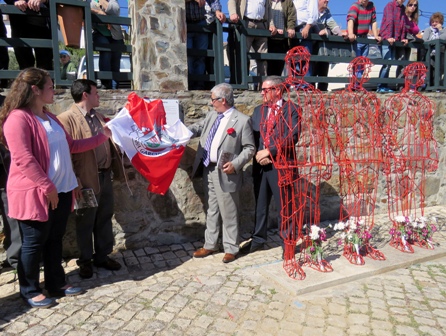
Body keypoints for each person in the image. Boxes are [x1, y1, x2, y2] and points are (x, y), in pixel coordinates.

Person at [0, 68, 111, 308]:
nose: (54, 90)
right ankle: (29, 289)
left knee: (54, 239)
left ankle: (56, 282)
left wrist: (102, 137)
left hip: (61, 190)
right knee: (33, 242)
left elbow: (71, 146)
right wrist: (46, 186)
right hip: (37, 193)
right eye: (50, 87)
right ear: (35, 90)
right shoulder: (18, 118)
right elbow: (23, 158)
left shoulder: (49, 117)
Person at [58, 79, 124, 279]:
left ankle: (102, 256)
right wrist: (75, 179)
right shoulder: (66, 119)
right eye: (95, 93)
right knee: (85, 221)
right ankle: (85, 261)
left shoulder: (98, 117)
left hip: (105, 175)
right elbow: (65, 153)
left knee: (104, 217)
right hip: (85, 179)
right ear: (85, 95)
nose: (99, 96)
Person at [189, 83, 255, 263]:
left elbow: (250, 148)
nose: (211, 103)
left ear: (222, 100)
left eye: (213, 100)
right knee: (212, 210)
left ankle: (231, 248)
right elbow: (197, 127)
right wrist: (180, 134)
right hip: (208, 169)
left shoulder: (242, 120)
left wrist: (235, 164)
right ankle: (210, 244)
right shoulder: (212, 116)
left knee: (229, 211)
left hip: (227, 172)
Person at [241, 76, 298, 254]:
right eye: (262, 89)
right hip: (261, 165)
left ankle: (288, 243)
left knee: (285, 205)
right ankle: (258, 239)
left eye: (265, 90)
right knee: (260, 203)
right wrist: (260, 154)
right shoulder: (259, 110)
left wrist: (269, 151)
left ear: (278, 90)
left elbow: (292, 136)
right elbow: (253, 136)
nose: (262, 93)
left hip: (282, 165)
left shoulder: (292, 110)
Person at [4, 0, 53, 70]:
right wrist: (15, 1)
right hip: (20, 26)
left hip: (43, 26)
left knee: (45, 66)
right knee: (25, 66)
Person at [228, 0, 269, 79]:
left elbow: (268, 8)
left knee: (263, 56)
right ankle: (242, 83)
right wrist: (233, 13)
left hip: (262, 24)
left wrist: (271, 24)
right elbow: (232, 1)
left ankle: (263, 84)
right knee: (243, 54)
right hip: (246, 23)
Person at [314, 0, 347, 91]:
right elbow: (311, 23)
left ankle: (323, 92)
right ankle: (309, 91)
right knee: (312, 69)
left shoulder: (326, 12)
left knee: (324, 68)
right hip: (312, 44)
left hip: (323, 47)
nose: (327, 1)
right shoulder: (311, 9)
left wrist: (341, 34)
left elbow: (333, 25)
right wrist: (319, 30)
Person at [90, 0, 123, 89]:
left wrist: (102, 1)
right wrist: (98, 11)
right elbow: (85, 9)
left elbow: (115, 10)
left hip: (115, 35)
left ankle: (115, 86)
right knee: (106, 51)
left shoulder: (112, 1)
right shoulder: (92, 2)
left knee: (116, 60)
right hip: (99, 33)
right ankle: (105, 84)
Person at [377, 0, 408, 93]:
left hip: (395, 40)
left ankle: (384, 86)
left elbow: (403, 24)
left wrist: (402, 38)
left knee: (389, 64)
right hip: (387, 39)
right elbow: (389, 21)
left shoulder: (403, 8)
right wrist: (388, 37)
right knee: (387, 62)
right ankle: (380, 86)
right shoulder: (390, 5)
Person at [267, 0, 296, 76]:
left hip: (282, 40)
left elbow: (291, 16)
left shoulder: (288, 2)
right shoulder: (267, 1)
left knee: (279, 66)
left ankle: (277, 86)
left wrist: (290, 27)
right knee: (267, 66)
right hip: (268, 39)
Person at [289, 0, 318, 76]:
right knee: (294, 59)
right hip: (293, 30)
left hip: (304, 27)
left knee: (305, 58)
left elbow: (314, 14)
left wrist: (307, 27)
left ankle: (305, 85)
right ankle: (296, 84)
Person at [422, 12, 446, 87]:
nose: (434, 23)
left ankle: (438, 85)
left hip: (441, 53)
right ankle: (430, 85)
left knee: (440, 70)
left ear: (440, 22)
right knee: (430, 70)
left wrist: (440, 30)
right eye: (432, 22)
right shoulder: (428, 30)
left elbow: (443, 38)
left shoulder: (444, 30)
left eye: (436, 22)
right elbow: (425, 40)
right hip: (430, 53)